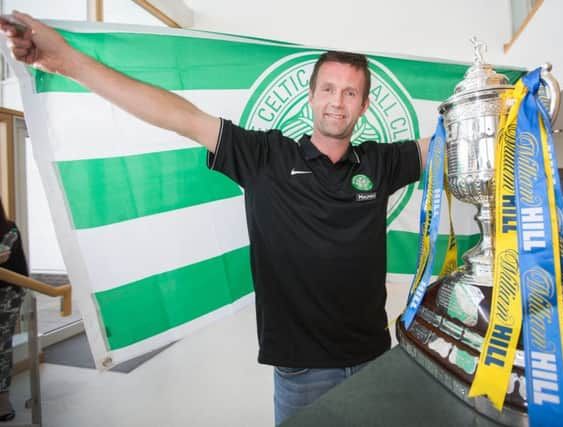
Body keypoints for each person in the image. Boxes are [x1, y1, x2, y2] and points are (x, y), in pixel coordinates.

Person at [1, 11, 430, 425]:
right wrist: (65, 61)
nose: (338, 101)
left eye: (350, 92)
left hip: (375, 360)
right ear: (311, 94)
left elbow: (451, 141)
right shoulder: (265, 156)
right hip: (303, 373)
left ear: (365, 104)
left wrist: (494, 98)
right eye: (329, 89)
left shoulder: (382, 161)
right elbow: (176, 115)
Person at [0, 198, 27, 422]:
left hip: (7, 295)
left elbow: (2, 255)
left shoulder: (9, 229)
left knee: (1, 346)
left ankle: (2, 399)